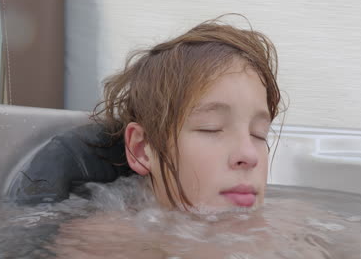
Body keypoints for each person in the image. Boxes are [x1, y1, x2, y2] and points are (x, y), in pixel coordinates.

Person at [90, 15, 282, 212]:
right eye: (211, 128)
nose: (249, 154)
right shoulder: (109, 239)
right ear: (142, 149)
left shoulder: (288, 227)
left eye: (259, 133)